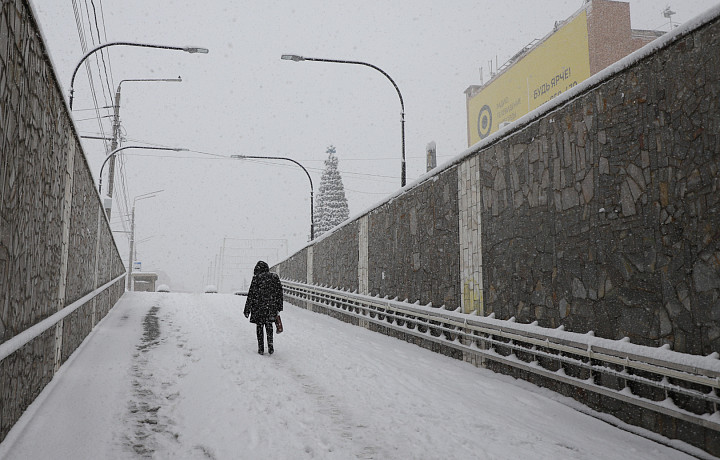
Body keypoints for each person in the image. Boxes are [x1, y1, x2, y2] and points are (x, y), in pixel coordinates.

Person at [243, 260, 283, 355]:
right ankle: (270, 345)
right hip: (271, 307)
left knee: (259, 327)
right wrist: (279, 307)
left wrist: (247, 309)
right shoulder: (274, 277)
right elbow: (279, 293)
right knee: (269, 326)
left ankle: (261, 348)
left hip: (258, 307)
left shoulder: (256, 278)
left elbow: (251, 295)